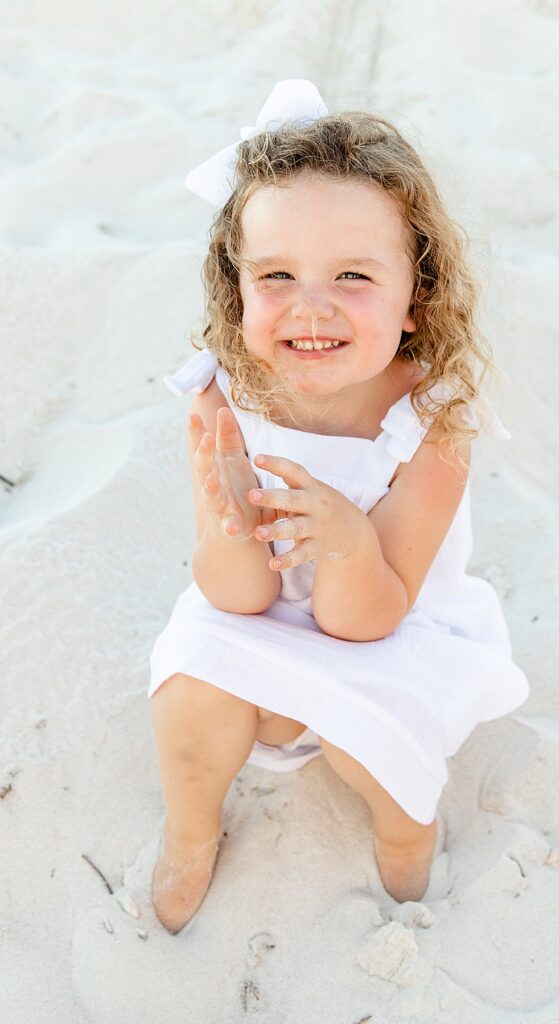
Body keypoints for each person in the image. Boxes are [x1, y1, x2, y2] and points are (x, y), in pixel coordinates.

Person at [148, 80, 530, 935]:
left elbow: (373, 617)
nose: (310, 305)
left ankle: (405, 835)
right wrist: (230, 524)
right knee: (184, 691)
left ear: (416, 295)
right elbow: (233, 595)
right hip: (264, 609)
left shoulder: (432, 427)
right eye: (276, 274)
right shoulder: (221, 398)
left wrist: (350, 544)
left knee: (377, 741)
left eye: (353, 276)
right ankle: (191, 830)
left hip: (388, 621)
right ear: (234, 286)